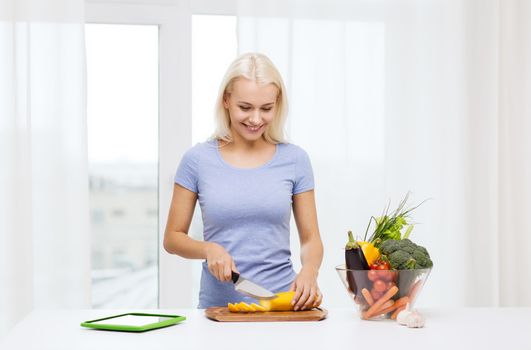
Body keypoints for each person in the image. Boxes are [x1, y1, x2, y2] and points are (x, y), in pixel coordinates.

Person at [163, 52, 323, 310]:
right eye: (245, 107)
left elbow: (311, 238)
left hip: (283, 304)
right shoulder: (197, 160)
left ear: (277, 104)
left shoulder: (295, 159)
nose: (256, 119)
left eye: (266, 108)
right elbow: (172, 238)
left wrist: (310, 271)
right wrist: (208, 249)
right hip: (219, 308)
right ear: (226, 100)